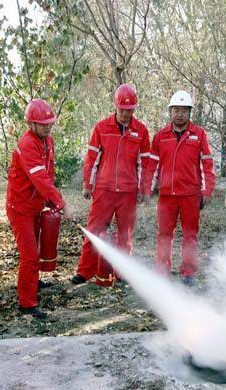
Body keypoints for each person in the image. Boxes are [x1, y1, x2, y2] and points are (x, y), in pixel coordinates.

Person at [71, 84, 150, 284]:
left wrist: (143, 190)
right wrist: (88, 185)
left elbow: (145, 164)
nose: (125, 113)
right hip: (104, 190)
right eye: (122, 109)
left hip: (128, 193)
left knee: (125, 235)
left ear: (134, 109)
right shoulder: (101, 128)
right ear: (115, 106)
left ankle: (122, 272)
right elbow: (92, 159)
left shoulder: (141, 131)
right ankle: (85, 271)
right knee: (94, 230)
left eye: (129, 110)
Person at [6, 99, 73, 319]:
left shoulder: (48, 141)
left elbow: (49, 174)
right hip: (20, 208)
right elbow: (40, 179)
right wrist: (61, 202)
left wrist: (52, 202)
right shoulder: (26, 144)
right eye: (43, 124)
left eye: (50, 124)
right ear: (30, 124)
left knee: (35, 248)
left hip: (35, 206)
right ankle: (27, 303)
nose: (47, 127)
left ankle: (32, 282)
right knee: (29, 255)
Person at [141, 90, 216, 285]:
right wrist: (148, 189)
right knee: (164, 235)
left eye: (184, 110)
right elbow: (152, 167)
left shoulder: (199, 135)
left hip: (191, 195)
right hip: (167, 196)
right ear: (170, 112)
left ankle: (188, 272)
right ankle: (162, 270)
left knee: (190, 235)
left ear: (189, 113)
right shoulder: (160, 136)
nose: (180, 114)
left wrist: (207, 191)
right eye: (176, 110)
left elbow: (207, 165)